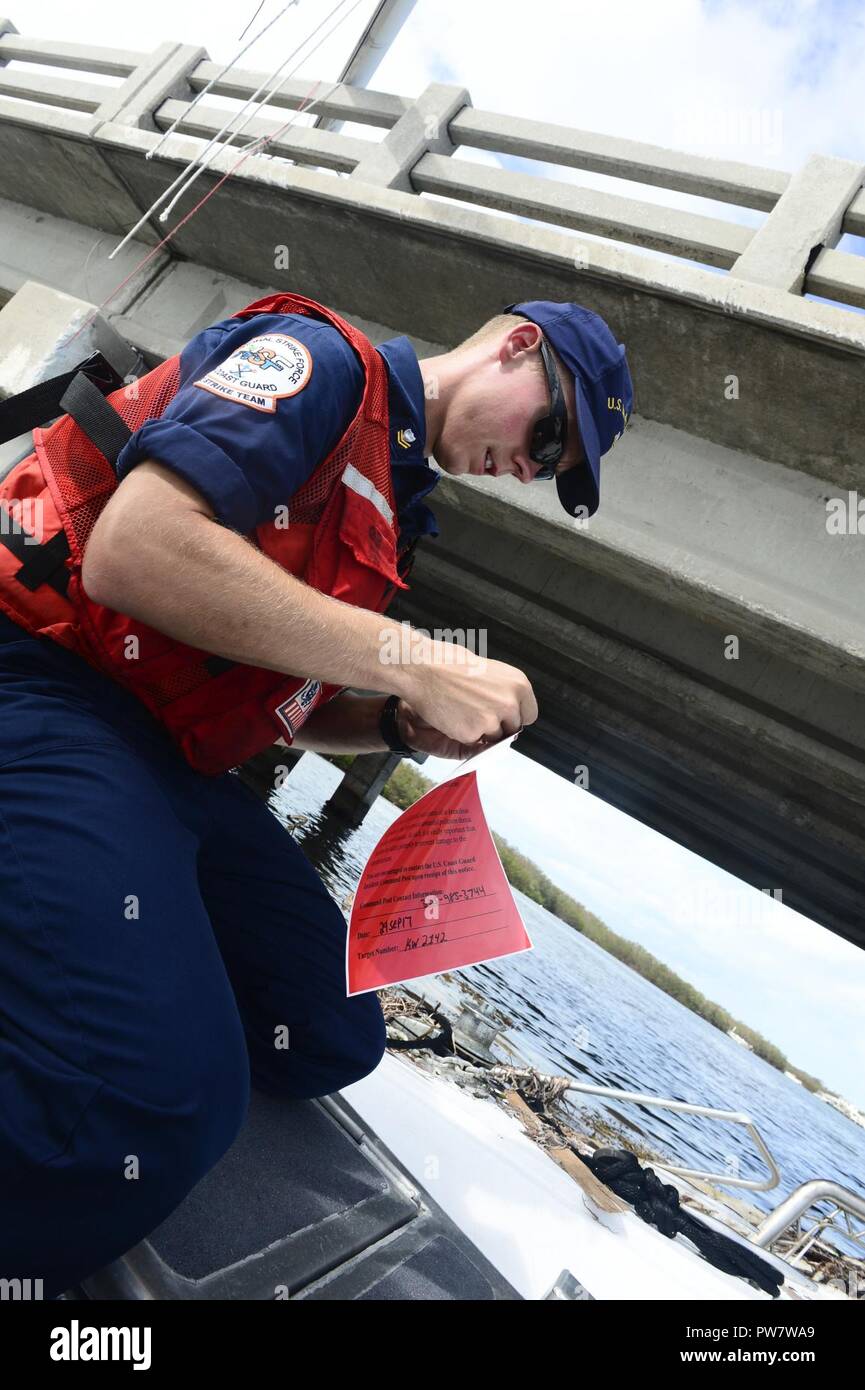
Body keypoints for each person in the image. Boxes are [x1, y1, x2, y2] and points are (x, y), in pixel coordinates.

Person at [0, 289, 633, 1296]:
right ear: (515, 346)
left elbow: (274, 697)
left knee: (330, 1031)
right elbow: (134, 550)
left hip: (169, 757)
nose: (526, 467)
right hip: (49, 681)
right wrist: (413, 657)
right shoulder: (320, 369)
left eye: (547, 471)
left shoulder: (394, 511)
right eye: (546, 433)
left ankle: (77, 950)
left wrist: (387, 721)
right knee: (156, 1106)